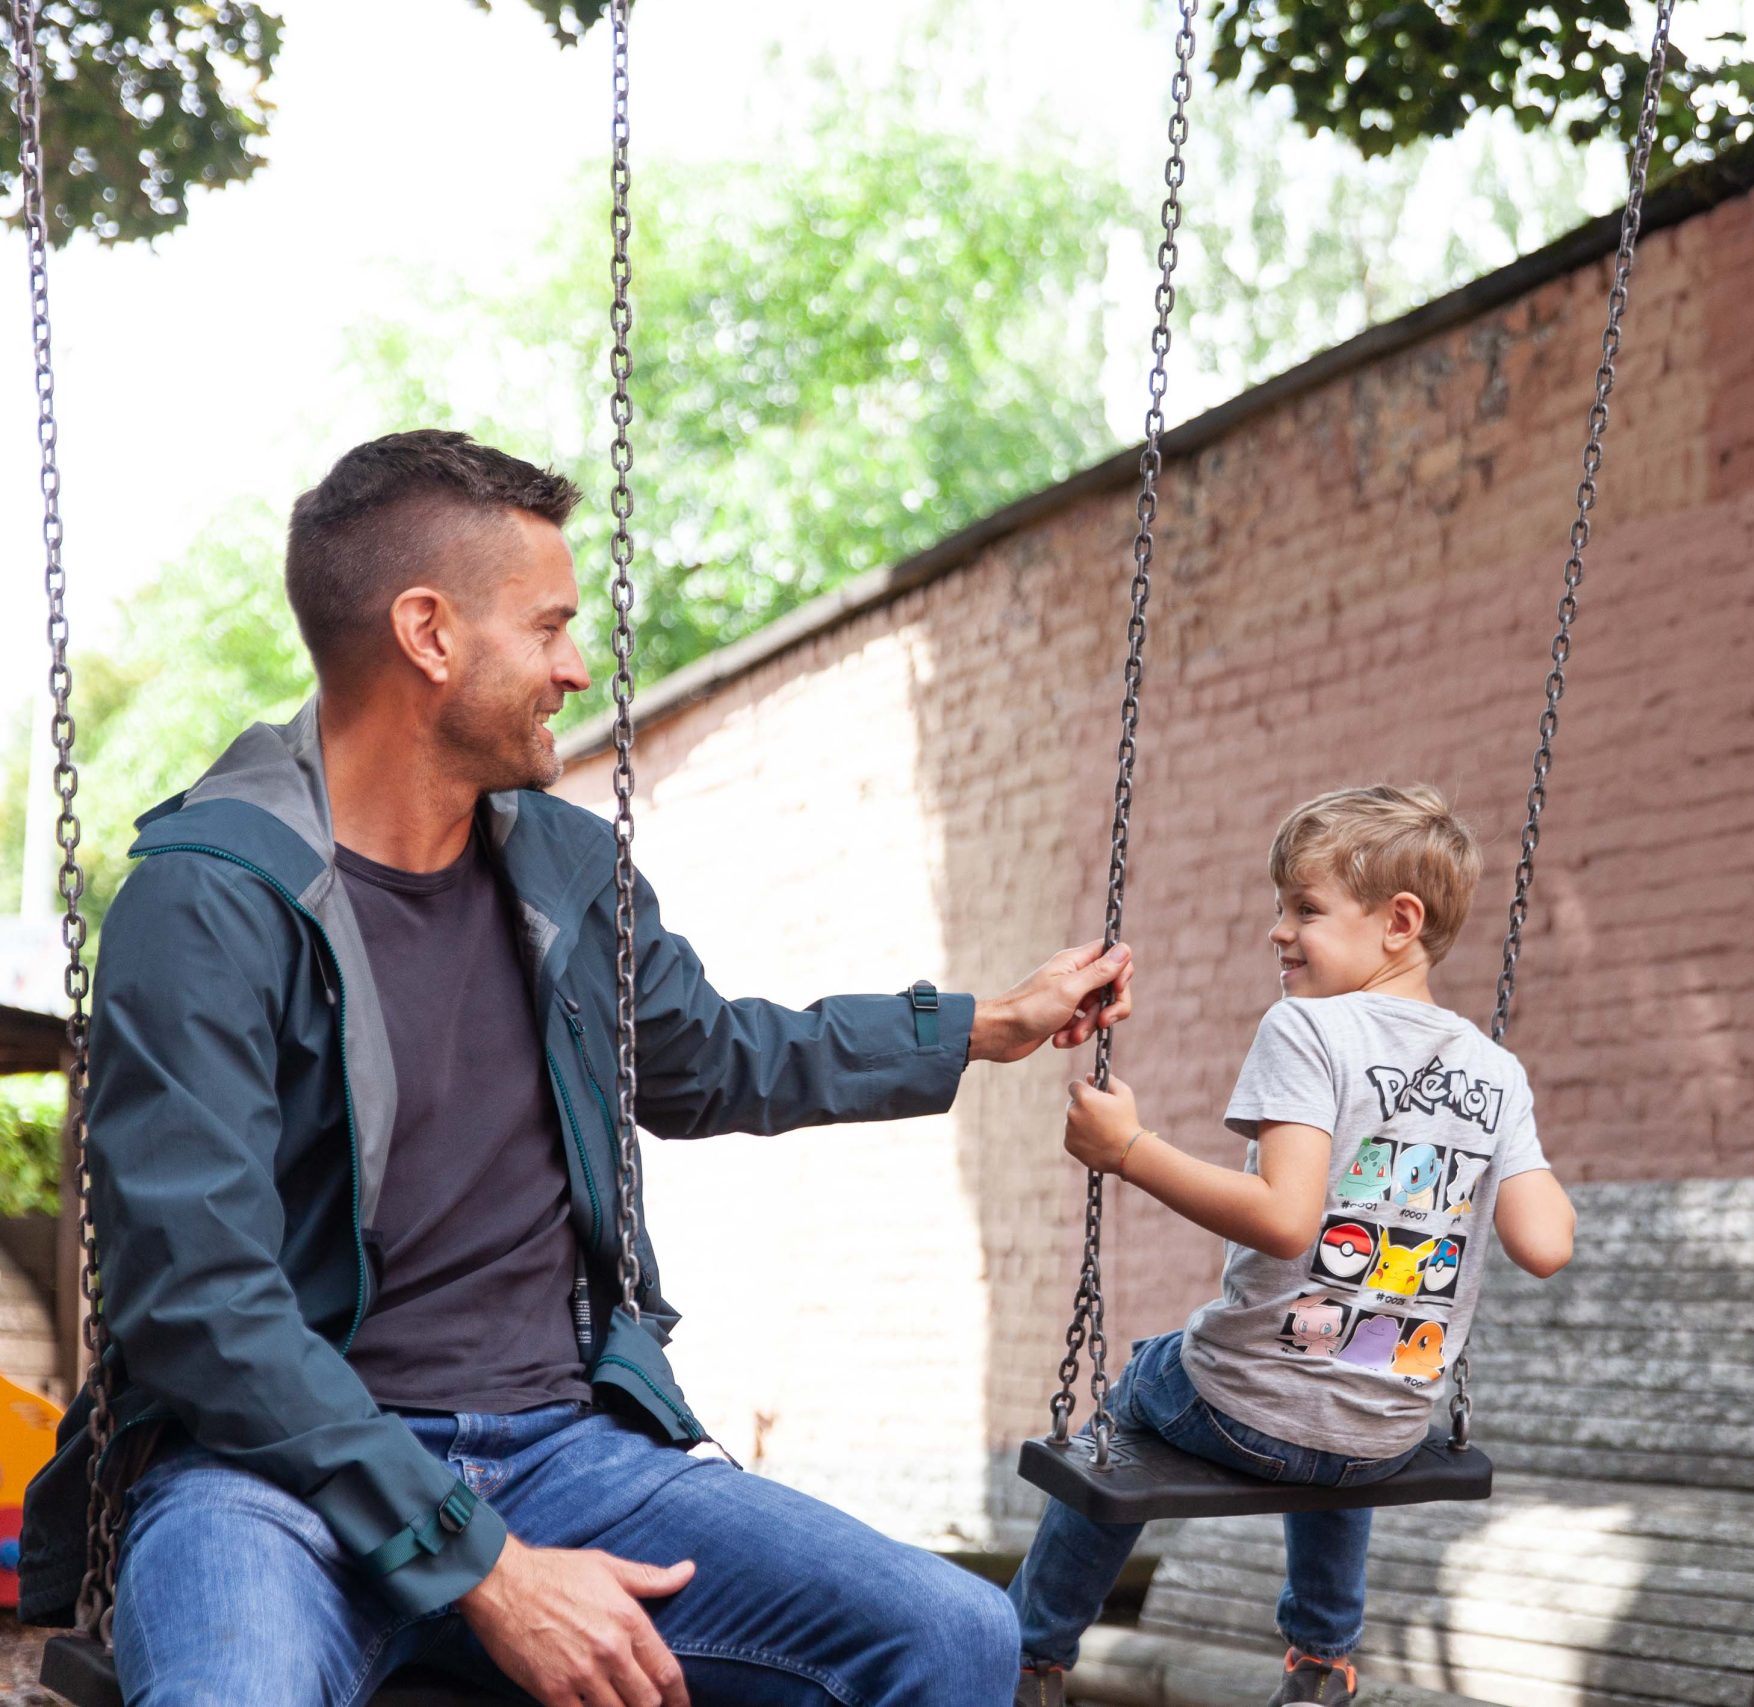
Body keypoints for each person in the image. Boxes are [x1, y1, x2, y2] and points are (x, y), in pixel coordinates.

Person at [21, 429, 1137, 1707]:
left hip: (565, 1452)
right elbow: (202, 1309)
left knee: (951, 1633)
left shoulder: (564, 871)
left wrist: (979, 1026)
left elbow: (711, 1059)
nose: (575, 666)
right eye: (549, 627)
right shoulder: (207, 902)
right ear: (429, 635)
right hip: (274, 1478)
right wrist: (489, 1571)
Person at [1007, 785, 1577, 1707]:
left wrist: (1129, 1151)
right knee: (1346, 1390)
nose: (1279, 930)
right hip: (1387, 1435)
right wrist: (1503, 1126)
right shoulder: (1495, 1073)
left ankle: (1032, 1656)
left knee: (1127, 1405)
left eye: (1304, 908)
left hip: (1240, 1406)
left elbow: (1284, 1218)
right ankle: (1322, 1660)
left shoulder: (1308, 1027)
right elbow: (1545, 1242)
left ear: (1400, 922)